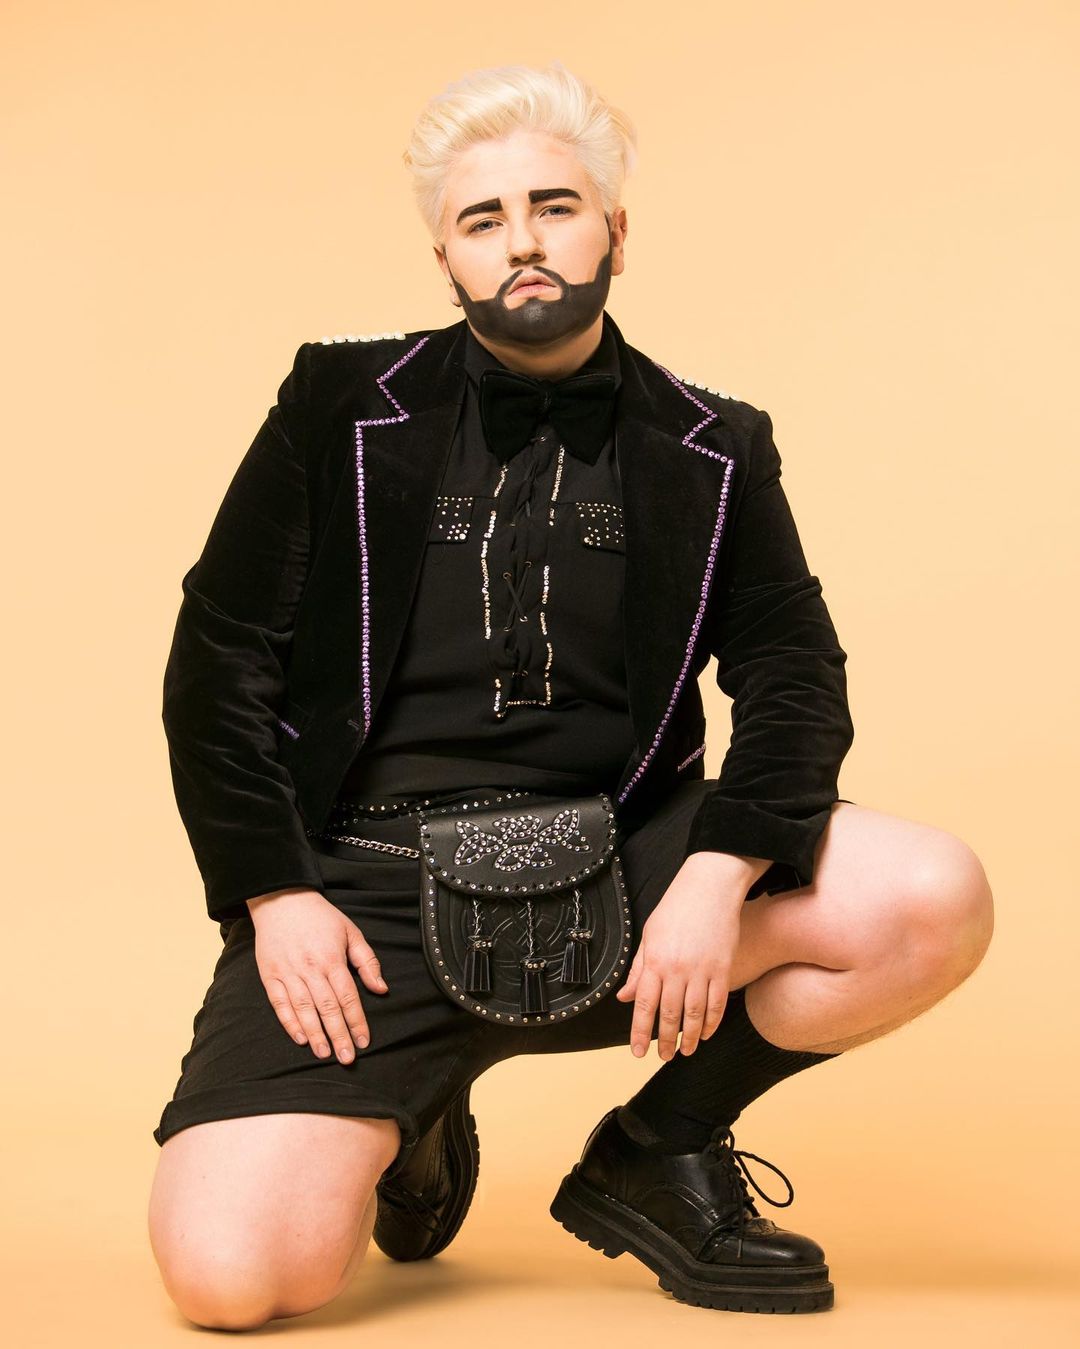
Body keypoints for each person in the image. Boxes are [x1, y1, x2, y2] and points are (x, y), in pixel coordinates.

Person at [147, 61, 994, 1328]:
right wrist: (275, 894)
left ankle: (657, 1146)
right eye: (484, 218)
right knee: (233, 1280)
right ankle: (417, 1105)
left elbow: (793, 672)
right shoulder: (337, 403)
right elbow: (218, 664)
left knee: (932, 896)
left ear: (615, 230)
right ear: (446, 254)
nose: (524, 240)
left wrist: (717, 874)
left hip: (625, 867)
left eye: (555, 205)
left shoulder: (716, 445)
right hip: (367, 893)